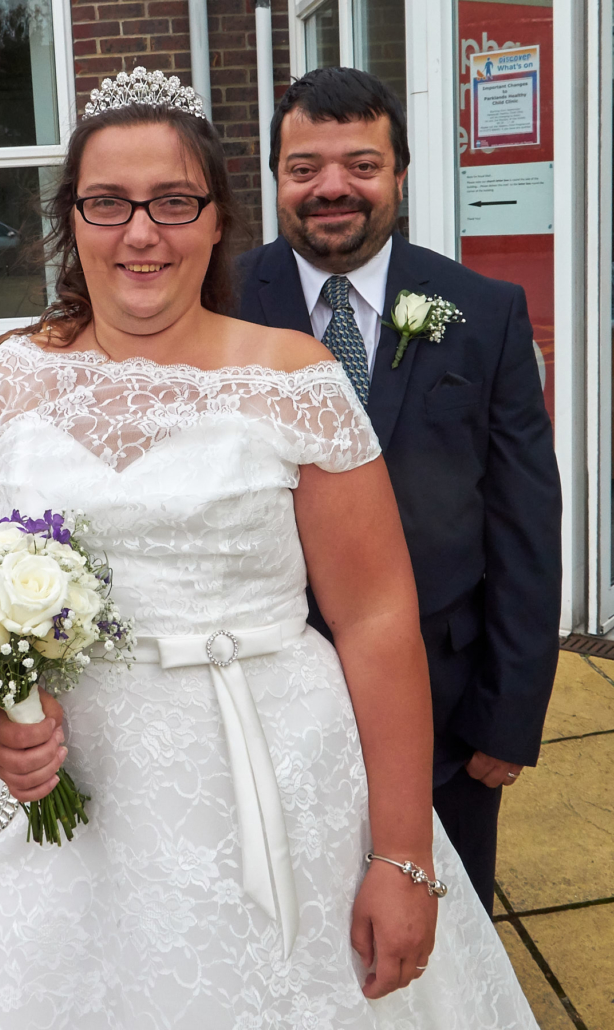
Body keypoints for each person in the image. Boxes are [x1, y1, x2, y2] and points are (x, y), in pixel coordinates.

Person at [0, 68, 538, 1029]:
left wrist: (401, 855)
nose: (141, 232)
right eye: (108, 202)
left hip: (274, 779)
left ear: (216, 221)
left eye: (173, 201)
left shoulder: (296, 379)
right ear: (72, 219)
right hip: (63, 804)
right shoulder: (7, 381)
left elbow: (377, 621)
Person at [237, 66, 562, 914]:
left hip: (446, 710)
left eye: (361, 165)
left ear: (401, 176)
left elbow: (524, 523)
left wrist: (509, 714)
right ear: (274, 178)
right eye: (304, 168)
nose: (331, 187)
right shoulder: (218, 306)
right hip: (256, 705)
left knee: (444, 931)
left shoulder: (484, 310)